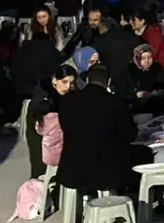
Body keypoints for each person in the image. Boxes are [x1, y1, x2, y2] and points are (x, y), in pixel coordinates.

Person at [56, 65, 139, 196]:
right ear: (108, 82)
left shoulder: (67, 101)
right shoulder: (115, 102)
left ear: (87, 80)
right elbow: (129, 135)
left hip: (72, 169)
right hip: (106, 171)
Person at [128, 43, 164, 118]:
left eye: (149, 57)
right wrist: (136, 95)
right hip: (136, 107)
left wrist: (156, 93)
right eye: (143, 58)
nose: (147, 61)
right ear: (138, 58)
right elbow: (123, 93)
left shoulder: (157, 68)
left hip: (155, 106)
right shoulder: (130, 70)